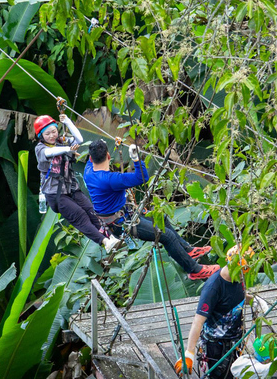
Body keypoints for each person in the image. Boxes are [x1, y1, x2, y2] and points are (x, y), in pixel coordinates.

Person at [83, 138, 218, 280]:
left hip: (121, 216)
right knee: (167, 237)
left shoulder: (88, 171)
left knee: (162, 219)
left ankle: (187, 250)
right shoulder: (111, 179)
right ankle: (195, 270)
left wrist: (114, 146)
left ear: (91, 159)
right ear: (108, 156)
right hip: (121, 223)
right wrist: (136, 159)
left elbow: (96, 160)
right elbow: (142, 177)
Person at [34, 114, 119, 252]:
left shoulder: (61, 141)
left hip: (71, 187)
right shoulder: (40, 149)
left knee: (91, 211)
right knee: (80, 215)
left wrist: (67, 121)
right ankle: (104, 241)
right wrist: (68, 149)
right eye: (47, 133)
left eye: (54, 131)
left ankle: (110, 237)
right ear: (41, 136)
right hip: (55, 193)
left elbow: (79, 139)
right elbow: (51, 152)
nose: (51, 136)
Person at [175, 245, 256, 379]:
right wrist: (189, 353)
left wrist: (255, 301)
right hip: (215, 347)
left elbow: (238, 297)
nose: (244, 276)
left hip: (235, 342)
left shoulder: (237, 280)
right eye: (242, 271)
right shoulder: (213, 288)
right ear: (234, 266)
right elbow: (197, 322)